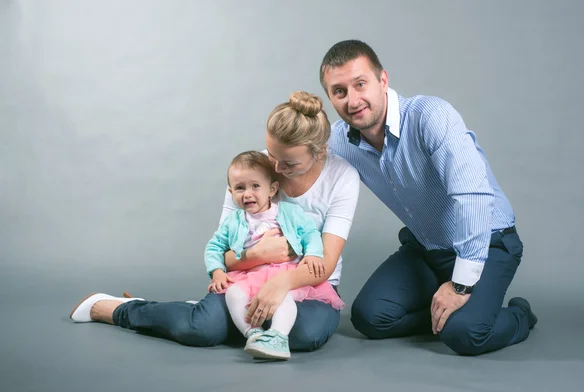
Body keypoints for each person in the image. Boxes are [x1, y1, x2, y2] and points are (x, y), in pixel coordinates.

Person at [69, 91, 360, 353]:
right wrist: (257, 255)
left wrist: (281, 282)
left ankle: (223, 317)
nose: (276, 169)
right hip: (247, 278)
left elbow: (325, 262)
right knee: (199, 329)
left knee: (304, 335)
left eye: (290, 164)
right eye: (272, 155)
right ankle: (120, 310)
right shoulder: (250, 171)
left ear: (319, 151)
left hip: (308, 284)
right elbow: (224, 253)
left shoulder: (342, 177)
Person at [319, 39, 537, 355]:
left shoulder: (430, 116)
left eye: (360, 84)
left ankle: (518, 314)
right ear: (330, 98)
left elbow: (473, 196)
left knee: (466, 335)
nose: (352, 100)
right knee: (369, 318)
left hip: (488, 242)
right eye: (339, 92)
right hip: (427, 247)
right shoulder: (341, 140)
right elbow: (298, 163)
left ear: (383, 80)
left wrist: (461, 285)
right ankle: (446, 316)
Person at [205, 150, 344, 360]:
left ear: (272, 189)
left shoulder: (288, 212)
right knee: (234, 294)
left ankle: (278, 338)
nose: (248, 194)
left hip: (285, 272)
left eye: (255, 186)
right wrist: (216, 271)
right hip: (251, 275)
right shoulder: (233, 221)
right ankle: (253, 333)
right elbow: (214, 247)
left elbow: (309, 233)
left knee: (283, 297)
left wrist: (314, 254)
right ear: (231, 192)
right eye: (240, 188)